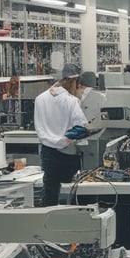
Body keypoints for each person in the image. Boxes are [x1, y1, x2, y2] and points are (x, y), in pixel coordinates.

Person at [34, 63, 89, 206]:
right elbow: (81, 128)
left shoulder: (40, 99)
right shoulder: (71, 101)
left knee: (50, 192)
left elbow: (39, 127)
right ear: (71, 81)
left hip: (47, 153)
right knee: (74, 193)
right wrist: (68, 137)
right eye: (77, 84)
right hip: (68, 154)